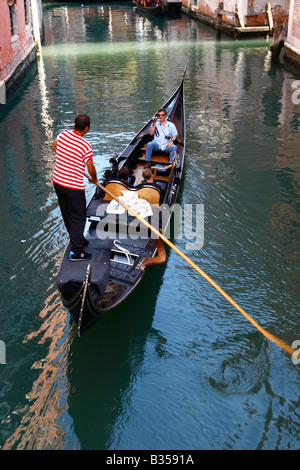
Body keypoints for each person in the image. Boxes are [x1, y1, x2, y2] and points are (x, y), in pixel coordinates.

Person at [52, 114, 98, 261]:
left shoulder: (63, 135)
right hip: (73, 187)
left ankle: (77, 240)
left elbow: (54, 146)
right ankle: (77, 252)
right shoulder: (85, 145)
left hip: (58, 182)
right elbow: (90, 169)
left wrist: (65, 158)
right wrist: (94, 179)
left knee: (67, 213)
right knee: (78, 217)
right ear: (86, 127)